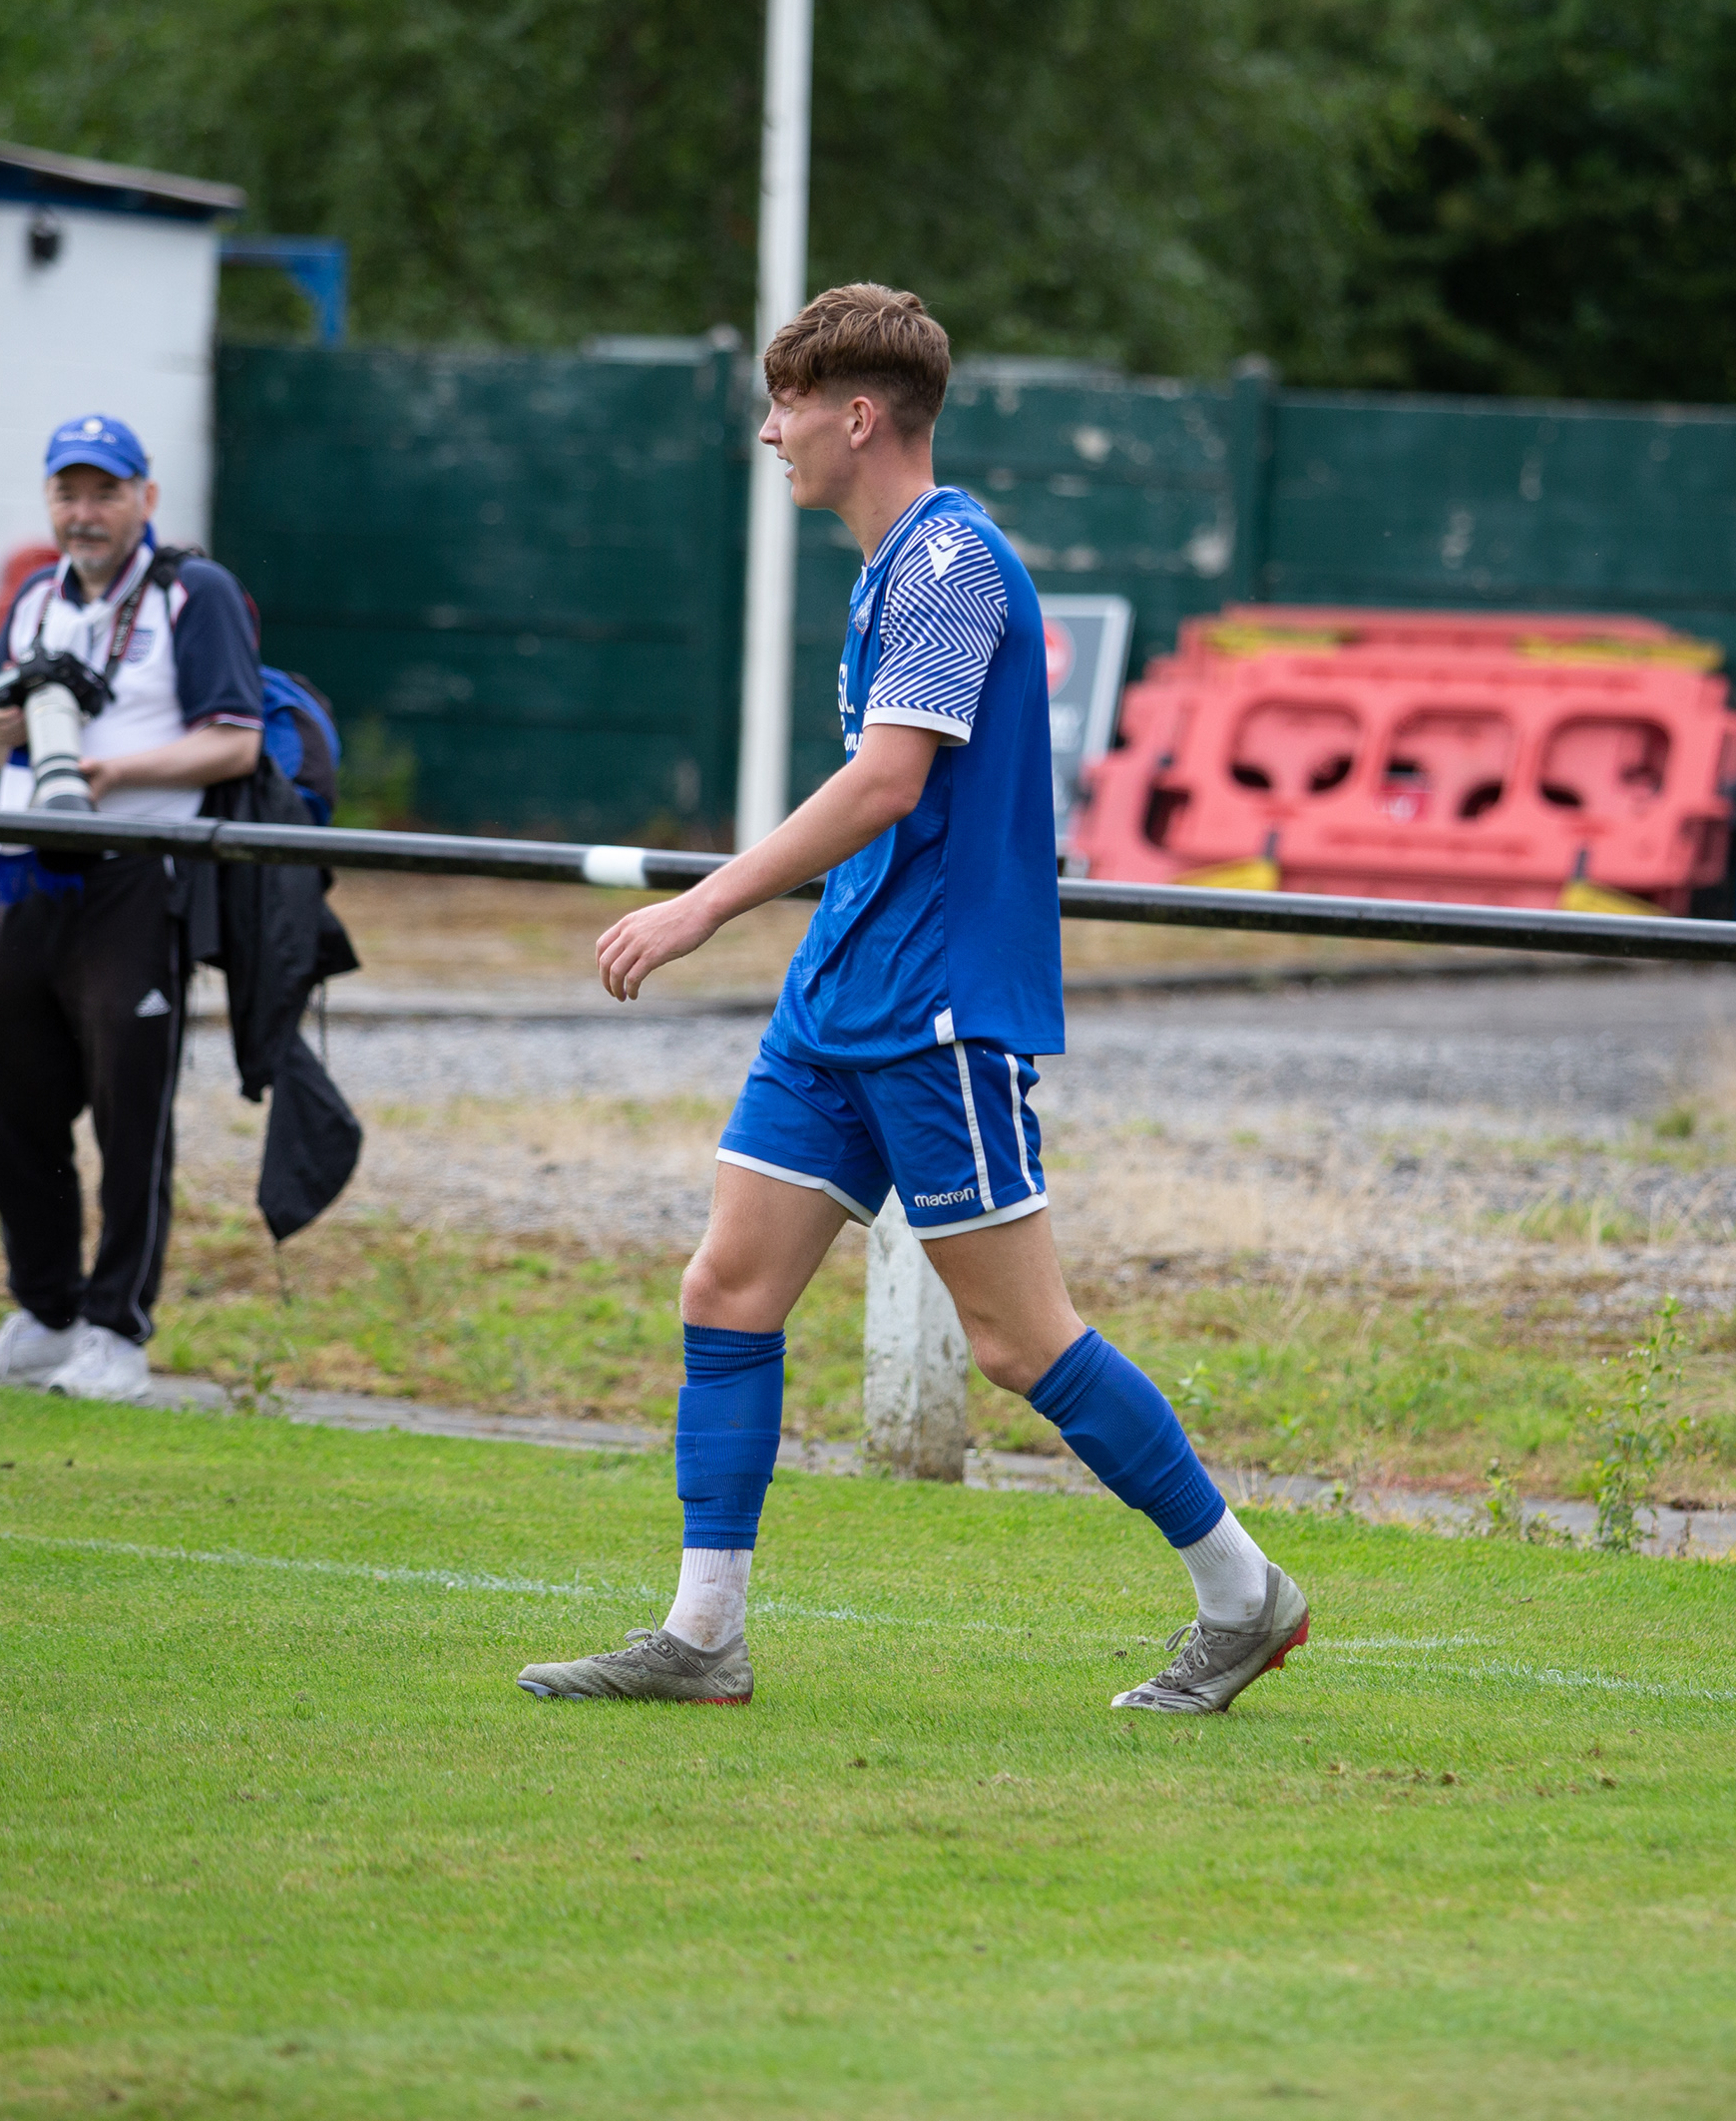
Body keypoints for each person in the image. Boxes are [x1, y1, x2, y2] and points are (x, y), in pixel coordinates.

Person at [517, 285, 1309, 1718]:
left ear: (860, 416)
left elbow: (889, 781)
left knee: (1017, 1341)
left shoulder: (951, 562)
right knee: (727, 1285)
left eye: (789, 407)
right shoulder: (896, 565)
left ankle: (1244, 1593)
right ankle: (703, 1636)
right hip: (841, 994)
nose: (772, 433)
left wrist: (702, 905)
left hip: (937, 1008)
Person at [0, 414, 264, 1403]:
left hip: (136, 874)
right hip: (28, 872)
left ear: (145, 498)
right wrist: (4, 724)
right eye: (68, 493)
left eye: (105, 492)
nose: (85, 513)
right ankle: (45, 1312)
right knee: (8, 1088)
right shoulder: (36, 595)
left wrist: (112, 774)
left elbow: (235, 738)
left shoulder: (190, 591)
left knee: (130, 1108)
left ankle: (117, 1329)